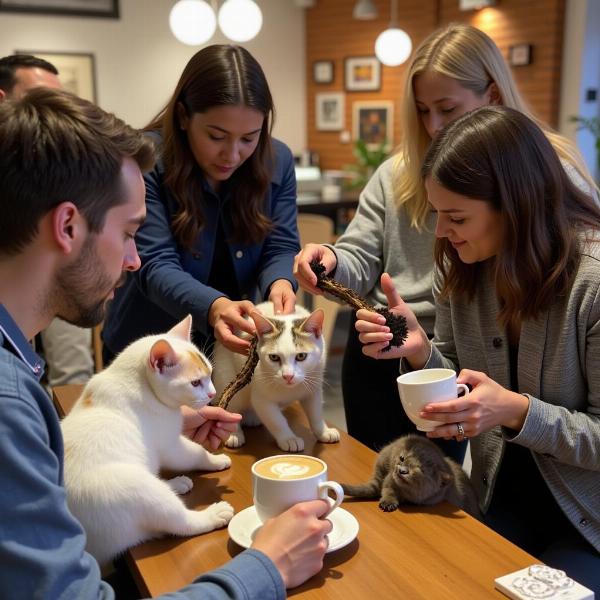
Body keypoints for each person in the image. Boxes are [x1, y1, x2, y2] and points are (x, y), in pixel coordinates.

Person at [0, 87, 331, 599]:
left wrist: (151, 432)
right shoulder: (10, 403)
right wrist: (267, 567)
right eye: (130, 233)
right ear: (68, 226)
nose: (134, 260)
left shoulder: (17, 377)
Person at [293, 23, 597, 458]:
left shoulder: (579, 272)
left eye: (447, 108)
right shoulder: (452, 262)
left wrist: (514, 408)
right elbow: (360, 256)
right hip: (424, 352)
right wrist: (333, 263)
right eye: (422, 110)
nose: (434, 126)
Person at [355, 105, 600, 590]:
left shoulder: (592, 282)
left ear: (516, 205)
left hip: (586, 522)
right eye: (437, 214)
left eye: (456, 216)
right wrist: (422, 352)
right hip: (496, 496)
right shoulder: (462, 267)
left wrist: (516, 411)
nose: (441, 232)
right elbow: (464, 387)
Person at [102, 44, 300, 361]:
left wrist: (281, 283)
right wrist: (215, 307)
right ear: (183, 116)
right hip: (150, 347)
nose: (232, 154)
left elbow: (281, 246)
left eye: (249, 138)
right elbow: (153, 263)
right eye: (217, 136)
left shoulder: (277, 160)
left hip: (234, 346)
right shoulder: (145, 159)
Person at [0, 53, 95, 389]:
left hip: (60, 268)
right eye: (41, 101)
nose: (54, 114)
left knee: (74, 374)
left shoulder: (64, 161)